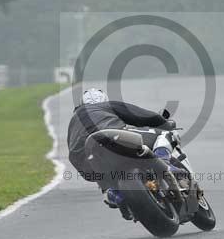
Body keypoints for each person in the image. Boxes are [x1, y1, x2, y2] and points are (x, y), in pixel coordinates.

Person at [67, 88, 175, 217]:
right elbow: (141, 115)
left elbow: (72, 150)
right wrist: (163, 122)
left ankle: (114, 194)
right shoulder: (107, 105)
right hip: (113, 138)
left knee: (106, 180)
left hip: (84, 157)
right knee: (163, 134)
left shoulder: (73, 121)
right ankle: (166, 163)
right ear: (103, 99)